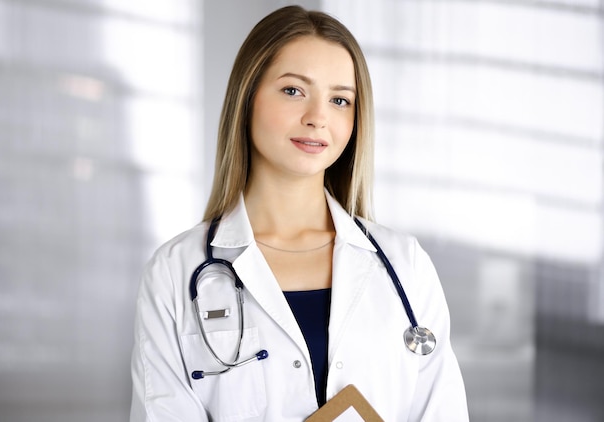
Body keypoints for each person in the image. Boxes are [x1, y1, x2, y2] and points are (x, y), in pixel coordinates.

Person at [130, 5, 468, 421]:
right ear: (247, 96)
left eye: (340, 99)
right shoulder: (175, 273)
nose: (318, 118)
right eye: (293, 91)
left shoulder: (405, 265)